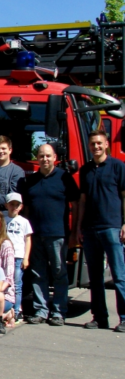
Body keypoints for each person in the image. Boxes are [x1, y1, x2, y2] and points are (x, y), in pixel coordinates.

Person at [24, 144, 80, 326]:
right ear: (37, 158)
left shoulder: (64, 178)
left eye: (48, 156)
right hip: (35, 235)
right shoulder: (31, 181)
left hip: (58, 235)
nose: (45, 159)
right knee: (38, 274)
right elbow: (25, 209)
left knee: (59, 273)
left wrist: (75, 232)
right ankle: (41, 310)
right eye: (41, 156)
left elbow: (77, 205)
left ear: (54, 157)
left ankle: (58, 312)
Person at [76, 130, 125, 332]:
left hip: (112, 227)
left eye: (99, 143)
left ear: (106, 145)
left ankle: (123, 318)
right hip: (90, 228)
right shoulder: (85, 170)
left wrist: (124, 223)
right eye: (92, 144)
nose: (95, 147)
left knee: (119, 276)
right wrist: (78, 226)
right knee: (95, 278)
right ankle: (100, 318)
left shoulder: (118, 166)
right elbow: (83, 201)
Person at [3, 192, 33, 323]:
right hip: (4, 256)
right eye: (11, 204)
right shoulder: (3, 219)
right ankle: (6, 309)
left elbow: (28, 240)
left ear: (21, 207)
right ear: (6, 205)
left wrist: (26, 257)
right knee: (5, 283)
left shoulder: (24, 222)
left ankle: (17, 310)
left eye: (17, 205)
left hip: (17, 256)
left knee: (17, 284)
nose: (14, 207)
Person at [0, 136, 25, 211]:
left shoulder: (17, 171)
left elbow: (13, 195)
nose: (0, 151)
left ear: (10, 150)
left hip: (6, 214)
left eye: (3, 148)